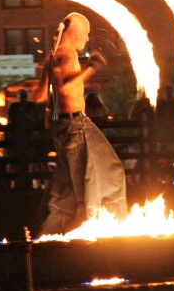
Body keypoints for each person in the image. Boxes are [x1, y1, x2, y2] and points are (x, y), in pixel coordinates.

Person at [33, 12, 127, 236]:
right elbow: (65, 89)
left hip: (63, 127)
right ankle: (91, 230)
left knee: (66, 190)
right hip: (73, 125)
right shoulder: (68, 55)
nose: (87, 40)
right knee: (103, 175)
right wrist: (91, 69)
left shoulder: (53, 55)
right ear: (74, 31)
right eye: (85, 34)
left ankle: (47, 236)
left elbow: (38, 96)